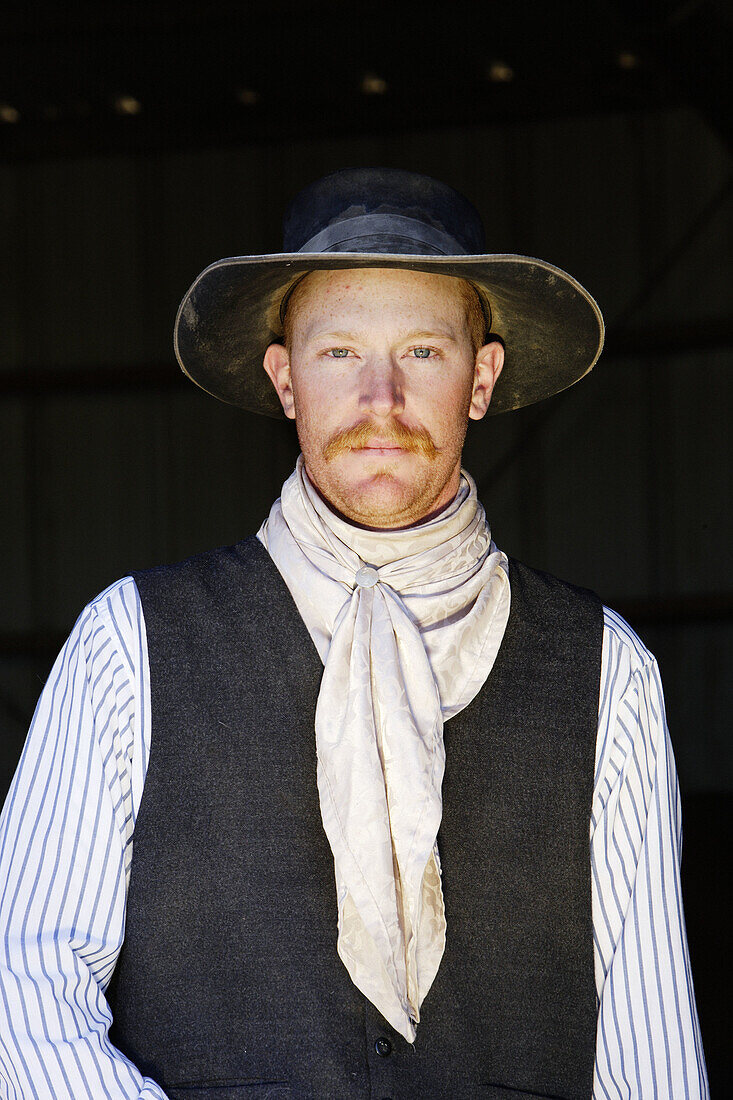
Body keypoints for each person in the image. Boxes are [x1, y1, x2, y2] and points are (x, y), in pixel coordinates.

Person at [0, 168, 708, 1099]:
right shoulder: (126, 646)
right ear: (285, 378)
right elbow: (23, 990)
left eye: (421, 351)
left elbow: (647, 1055)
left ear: (481, 379)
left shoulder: (606, 669)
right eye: (339, 353)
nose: (380, 397)